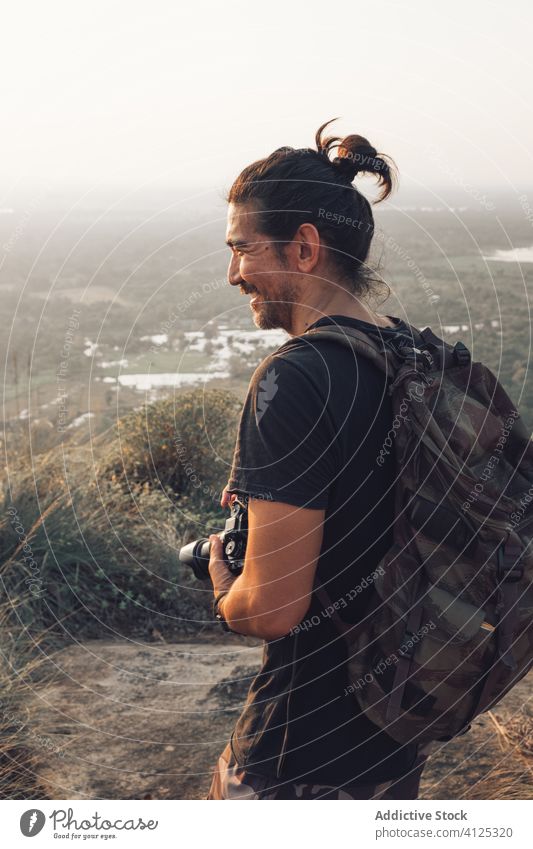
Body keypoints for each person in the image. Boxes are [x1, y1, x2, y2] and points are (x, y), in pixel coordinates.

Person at [205, 120, 432, 800]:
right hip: (397, 732)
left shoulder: (295, 377)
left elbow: (271, 609)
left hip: (300, 747)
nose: (232, 272)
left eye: (242, 248)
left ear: (303, 247)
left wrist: (225, 587)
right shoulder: (414, 355)